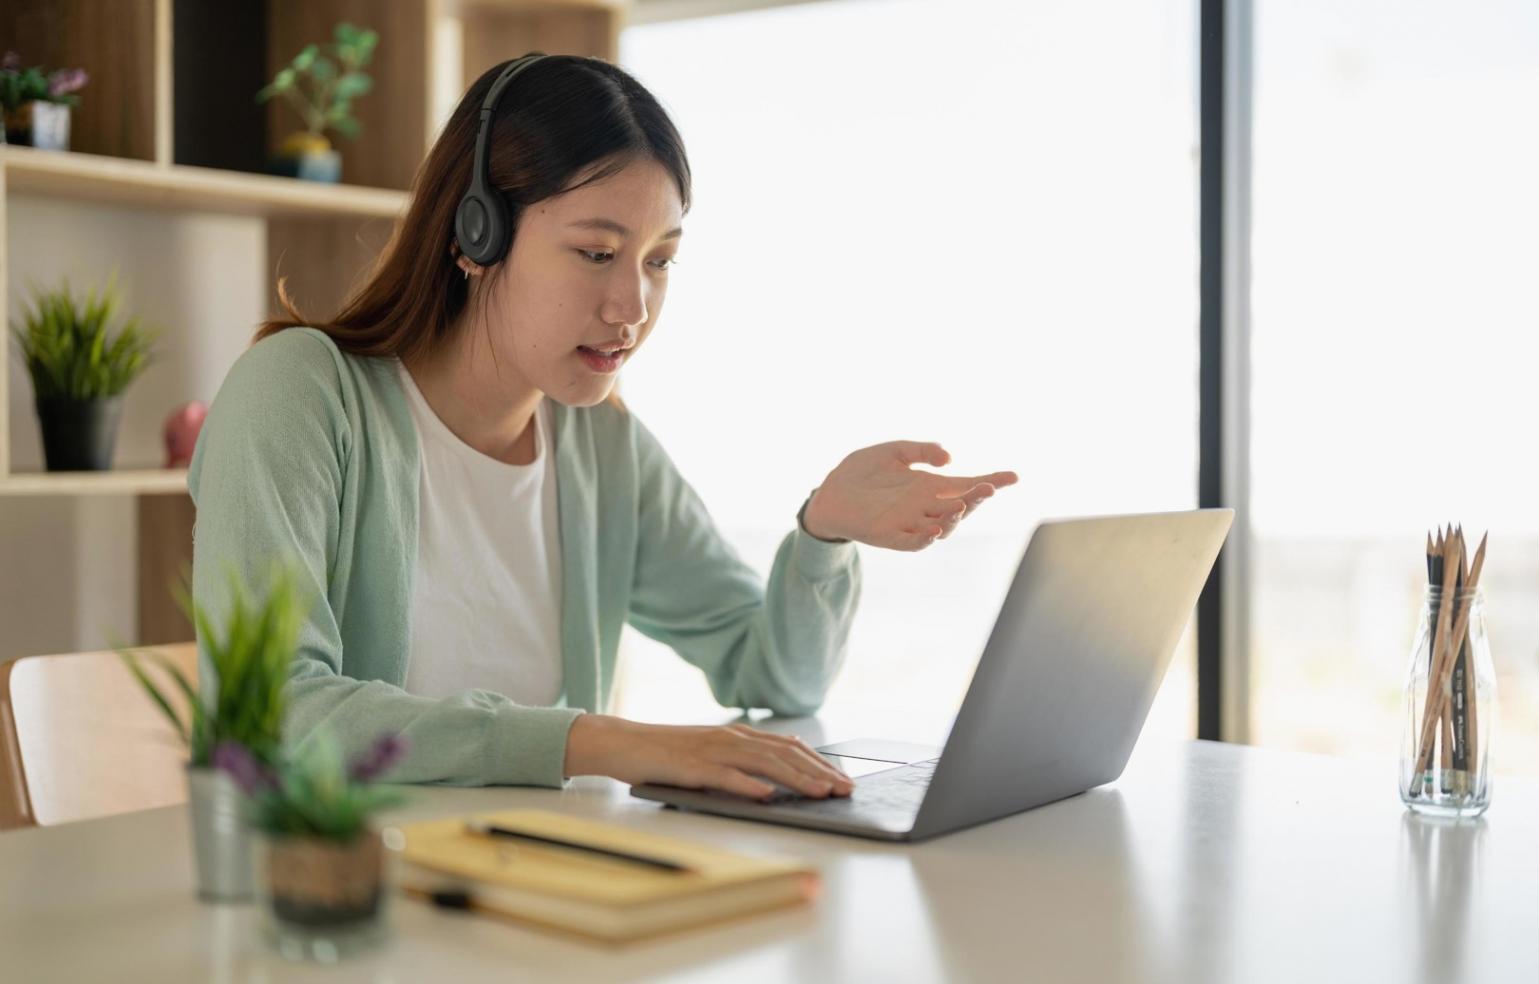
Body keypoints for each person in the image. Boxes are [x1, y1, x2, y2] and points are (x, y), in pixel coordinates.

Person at [189, 53, 1018, 802]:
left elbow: (774, 673)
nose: (633, 309)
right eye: (595, 253)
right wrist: (600, 741)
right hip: (335, 905)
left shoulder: (600, 447)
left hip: (537, 888)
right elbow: (272, 713)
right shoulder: (299, 395)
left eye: (658, 260)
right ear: (474, 234)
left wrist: (822, 537)